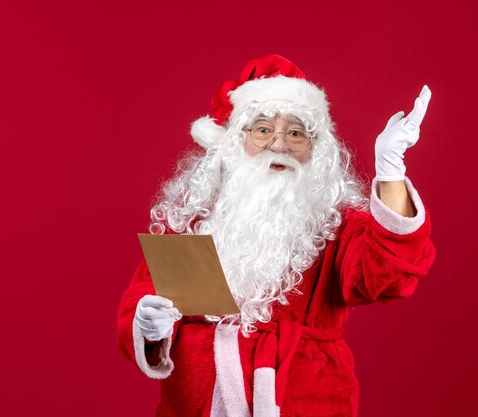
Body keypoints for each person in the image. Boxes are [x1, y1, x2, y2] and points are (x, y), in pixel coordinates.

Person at [116, 54, 435, 417]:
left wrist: (390, 170)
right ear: (237, 140)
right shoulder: (197, 219)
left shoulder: (335, 221)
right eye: (263, 129)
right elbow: (143, 302)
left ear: (316, 147)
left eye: (296, 133)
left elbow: (389, 276)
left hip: (305, 402)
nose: (279, 146)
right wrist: (147, 320)